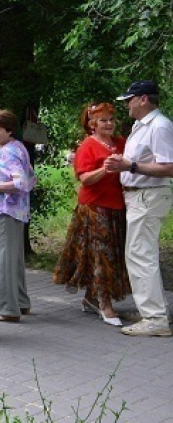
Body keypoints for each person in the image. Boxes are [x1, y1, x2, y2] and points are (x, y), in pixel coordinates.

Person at [104, 80, 173, 337]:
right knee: (141, 255)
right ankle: (152, 311)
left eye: (129, 100)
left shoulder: (160, 126)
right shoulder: (142, 126)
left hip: (148, 196)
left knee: (140, 256)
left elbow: (169, 167)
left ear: (143, 99)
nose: (127, 105)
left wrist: (129, 166)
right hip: (140, 196)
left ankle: (155, 319)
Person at [53, 103, 129, 326]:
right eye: (103, 120)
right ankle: (105, 304)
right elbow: (85, 179)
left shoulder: (120, 143)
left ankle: (90, 298)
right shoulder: (88, 146)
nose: (109, 124)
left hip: (117, 206)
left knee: (112, 255)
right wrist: (105, 168)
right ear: (92, 124)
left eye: (111, 120)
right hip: (95, 208)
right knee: (101, 256)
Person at [0, 109, 35, 322]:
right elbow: (32, 178)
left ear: (9, 129)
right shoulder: (17, 147)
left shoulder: (8, 152)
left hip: (5, 210)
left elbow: (22, 182)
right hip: (17, 211)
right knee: (14, 259)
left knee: (3, 259)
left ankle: (7, 309)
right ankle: (21, 303)